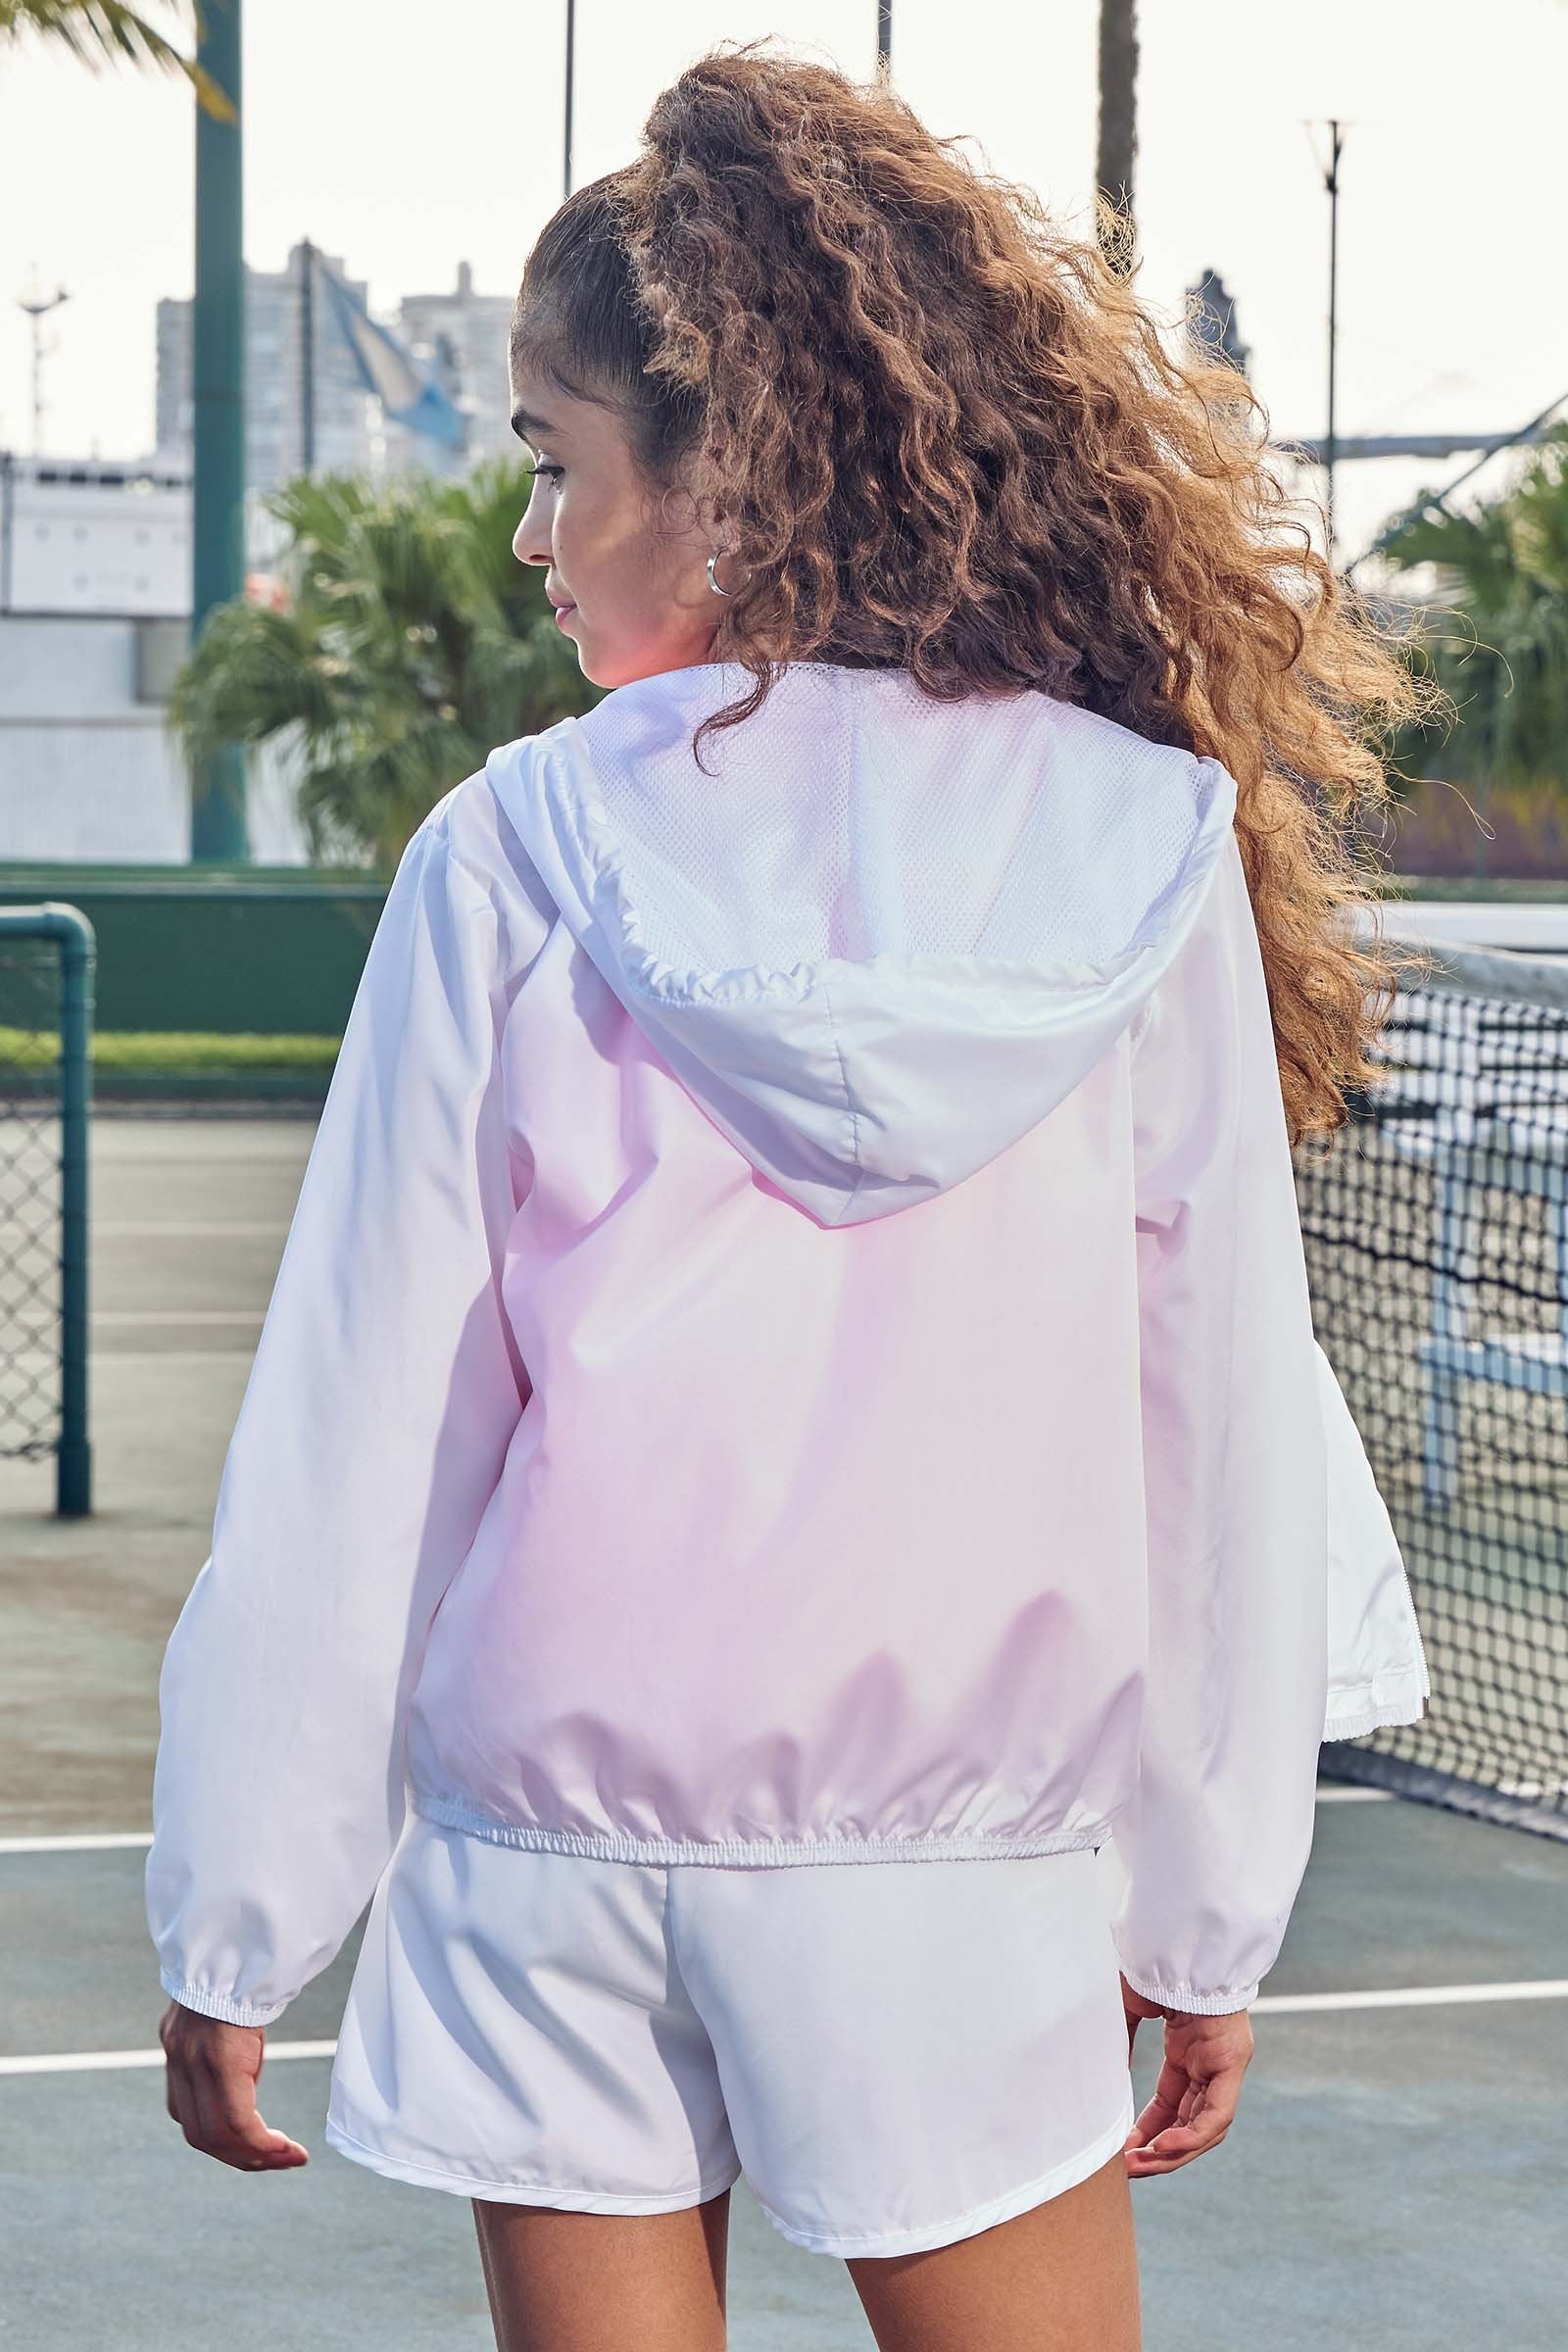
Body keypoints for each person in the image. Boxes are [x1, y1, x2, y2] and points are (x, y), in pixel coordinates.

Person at [148, 41, 1435, 2352]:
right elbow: (1215, 1411)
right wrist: (1203, 1906)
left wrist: (239, 1906)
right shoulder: (1132, 845)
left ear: (724, 475)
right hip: (959, 1868)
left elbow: (366, 1421)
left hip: (549, 1865)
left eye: (552, 463)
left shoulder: (507, 852)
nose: (529, 534)